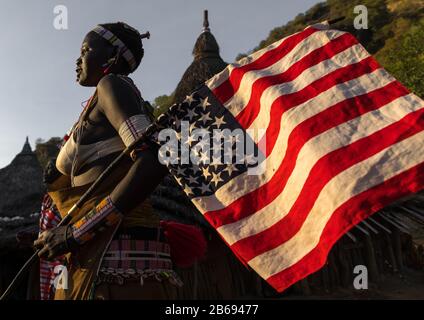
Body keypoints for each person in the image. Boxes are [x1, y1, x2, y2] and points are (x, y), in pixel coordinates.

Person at [33, 22, 183, 300]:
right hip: (98, 252)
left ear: (112, 57)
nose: (78, 59)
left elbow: (153, 158)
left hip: (114, 259)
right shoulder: (99, 103)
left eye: (86, 50)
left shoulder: (111, 85)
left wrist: (76, 233)